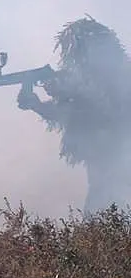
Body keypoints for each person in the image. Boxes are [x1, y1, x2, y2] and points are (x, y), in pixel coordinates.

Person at [17, 16, 131, 214]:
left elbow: (97, 110)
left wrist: (61, 92)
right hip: (104, 154)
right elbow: (69, 113)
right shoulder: (82, 78)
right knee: (103, 203)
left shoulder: (118, 77)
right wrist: (35, 103)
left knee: (104, 203)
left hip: (116, 151)